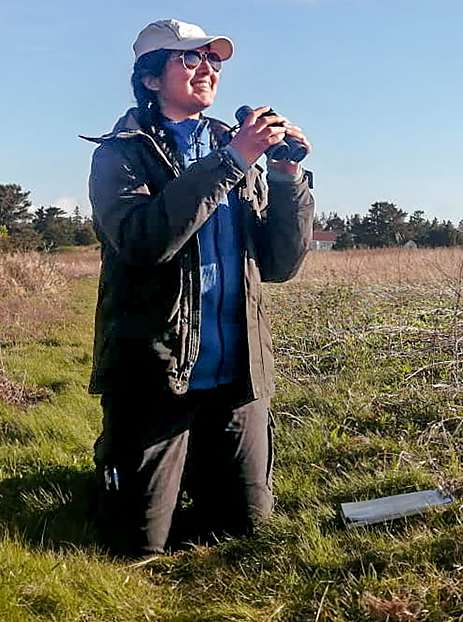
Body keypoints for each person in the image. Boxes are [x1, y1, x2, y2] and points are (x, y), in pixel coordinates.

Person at [83, 18, 314, 557]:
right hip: (155, 376)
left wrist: (285, 178)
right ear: (149, 79)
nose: (206, 69)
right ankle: (123, 465)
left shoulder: (237, 153)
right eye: (189, 59)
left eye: (212, 60)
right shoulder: (120, 153)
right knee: (138, 546)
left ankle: (197, 470)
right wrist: (233, 160)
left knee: (245, 532)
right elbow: (143, 243)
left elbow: (279, 265)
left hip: (236, 376)